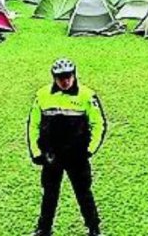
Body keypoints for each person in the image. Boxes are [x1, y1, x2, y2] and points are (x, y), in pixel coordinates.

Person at [27, 58, 106, 236]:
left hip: (77, 156)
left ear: (74, 75)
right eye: (60, 77)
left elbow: (98, 124)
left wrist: (89, 150)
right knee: (49, 194)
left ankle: (94, 229)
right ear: (54, 77)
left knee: (83, 193)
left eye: (68, 76)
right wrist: (36, 152)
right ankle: (43, 229)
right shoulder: (42, 95)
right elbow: (33, 124)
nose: (65, 81)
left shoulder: (87, 96)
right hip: (51, 155)